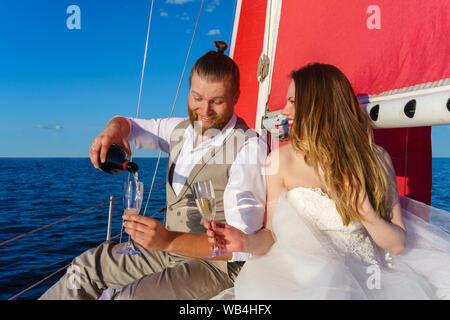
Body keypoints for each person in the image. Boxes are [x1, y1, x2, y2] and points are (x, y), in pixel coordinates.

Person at [39, 42, 268, 300]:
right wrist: (113, 129)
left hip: (215, 266)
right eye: (197, 98)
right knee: (86, 267)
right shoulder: (180, 130)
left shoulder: (248, 148)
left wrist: (168, 240)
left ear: (236, 97)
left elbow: (238, 247)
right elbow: (130, 125)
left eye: (216, 101)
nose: (204, 111)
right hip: (166, 250)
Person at [207, 63, 450, 300]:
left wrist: (367, 214)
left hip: (369, 275)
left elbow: (397, 244)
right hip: (301, 277)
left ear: (317, 106)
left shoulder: (376, 159)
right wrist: (244, 241)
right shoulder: (280, 161)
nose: (284, 111)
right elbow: (272, 235)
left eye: (292, 102)